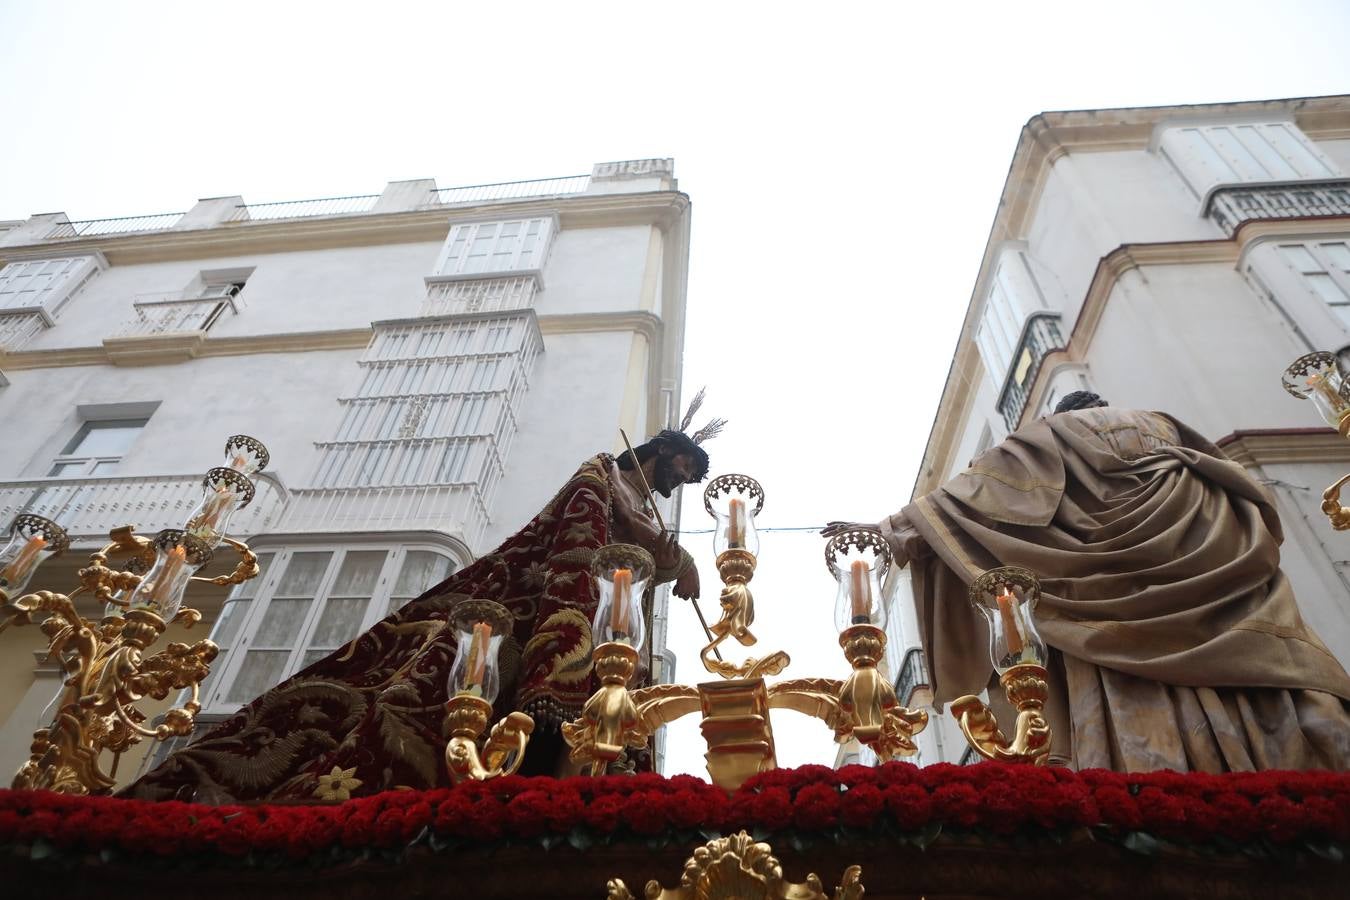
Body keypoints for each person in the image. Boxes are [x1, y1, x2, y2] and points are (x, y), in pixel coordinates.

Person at [122, 414, 719, 803]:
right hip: (557, 602)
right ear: (663, 448)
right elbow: (602, 520)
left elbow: (641, 540)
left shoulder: (643, 494)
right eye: (683, 466)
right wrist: (673, 555)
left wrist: (665, 559)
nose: (681, 479)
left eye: (689, 475)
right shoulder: (607, 472)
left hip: (608, 618)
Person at [826, 391, 1350, 772]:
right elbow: (1234, 496)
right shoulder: (1164, 428)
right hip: (1227, 607)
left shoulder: (1044, 439)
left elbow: (964, 503)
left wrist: (886, 532)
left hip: (1108, 646)